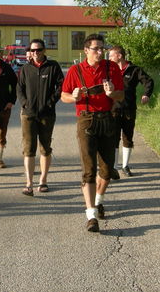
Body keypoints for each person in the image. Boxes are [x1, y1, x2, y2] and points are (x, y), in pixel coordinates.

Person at [61, 34, 124, 232]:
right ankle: (91, 215)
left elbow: (121, 95)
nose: (100, 52)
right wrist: (74, 96)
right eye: (96, 48)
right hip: (86, 120)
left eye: (102, 48)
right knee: (89, 170)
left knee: (106, 170)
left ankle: (98, 200)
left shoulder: (112, 68)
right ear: (86, 51)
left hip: (107, 120)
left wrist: (112, 93)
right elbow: (63, 96)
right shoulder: (75, 70)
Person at [17, 38, 64, 196]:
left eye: (39, 50)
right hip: (28, 114)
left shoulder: (53, 66)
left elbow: (61, 86)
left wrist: (51, 102)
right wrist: (24, 103)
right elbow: (19, 88)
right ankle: (29, 183)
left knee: (45, 148)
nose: (36, 53)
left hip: (47, 114)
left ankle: (43, 180)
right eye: (33, 50)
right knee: (28, 150)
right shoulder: (25, 68)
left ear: (44, 51)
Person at [108, 46, 154, 177]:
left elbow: (149, 81)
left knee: (128, 137)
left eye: (111, 56)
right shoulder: (110, 70)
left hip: (129, 109)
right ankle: (113, 167)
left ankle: (125, 166)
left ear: (119, 56)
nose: (109, 58)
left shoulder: (134, 70)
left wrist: (147, 94)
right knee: (113, 138)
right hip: (114, 109)